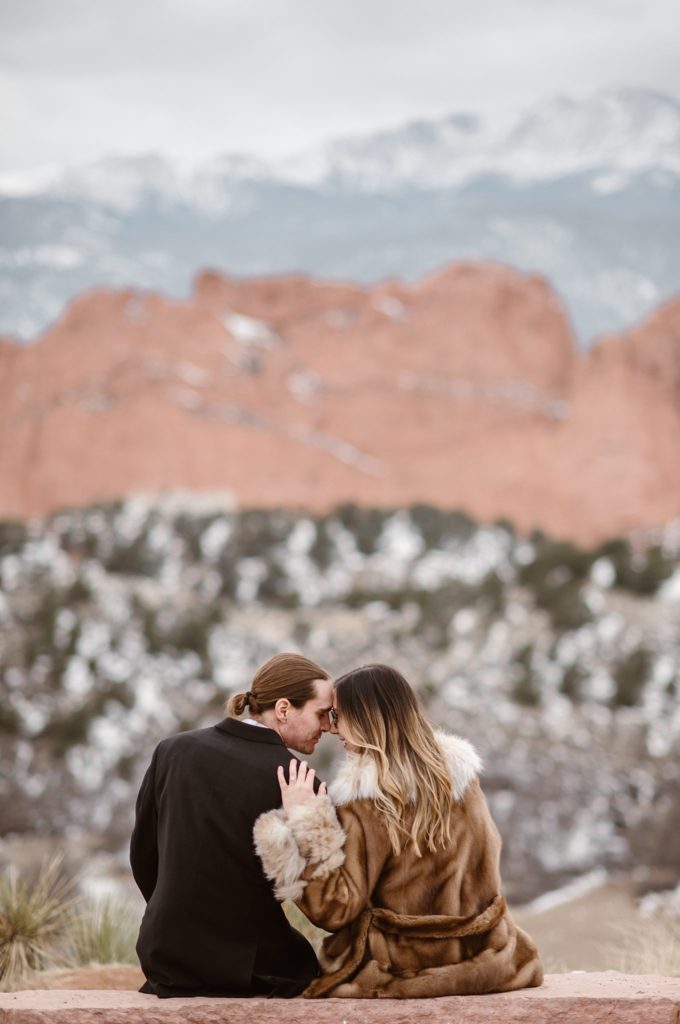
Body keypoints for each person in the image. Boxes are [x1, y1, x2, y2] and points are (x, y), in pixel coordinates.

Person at [254, 663, 543, 998]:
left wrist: (304, 820)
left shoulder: (366, 800)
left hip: (405, 966)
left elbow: (334, 909)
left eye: (338, 716)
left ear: (366, 720)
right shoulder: (461, 781)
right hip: (485, 955)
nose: (332, 728)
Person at [130, 652, 334, 998]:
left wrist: (180, 916)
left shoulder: (173, 750)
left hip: (165, 956)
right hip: (255, 967)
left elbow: (143, 857)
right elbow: (321, 896)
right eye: (321, 714)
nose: (328, 727)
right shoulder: (299, 782)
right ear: (283, 709)